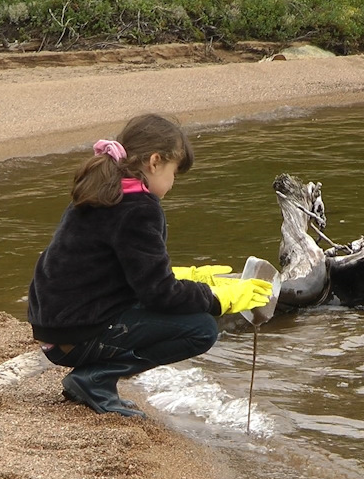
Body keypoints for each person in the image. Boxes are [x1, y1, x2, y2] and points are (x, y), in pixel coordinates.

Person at [27, 113, 273, 418]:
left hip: (55, 328)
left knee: (181, 312)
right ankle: (95, 379)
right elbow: (159, 294)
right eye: (173, 173)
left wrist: (192, 276)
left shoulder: (103, 189)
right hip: (77, 335)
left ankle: (93, 376)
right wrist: (218, 299)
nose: (171, 185)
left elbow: (118, 268)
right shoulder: (139, 208)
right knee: (201, 328)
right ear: (155, 162)